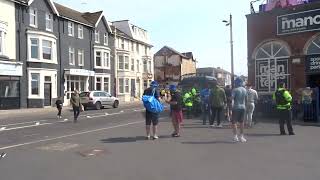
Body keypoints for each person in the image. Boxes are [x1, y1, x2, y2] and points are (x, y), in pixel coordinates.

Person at [231, 78, 248, 142]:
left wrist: (230, 107)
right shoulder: (244, 90)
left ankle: (235, 137)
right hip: (243, 107)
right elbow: (246, 99)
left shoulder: (235, 90)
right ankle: (242, 137)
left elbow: (232, 98)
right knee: (241, 122)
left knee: (234, 122)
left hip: (236, 107)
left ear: (236, 83)